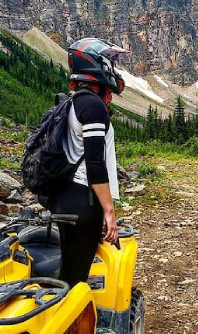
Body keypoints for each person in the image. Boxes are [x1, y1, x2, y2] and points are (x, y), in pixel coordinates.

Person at [48, 37, 127, 288]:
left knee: (69, 272)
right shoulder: (93, 105)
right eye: (109, 62)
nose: (111, 68)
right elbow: (95, 164)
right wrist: (109, 211)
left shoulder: (73, 101)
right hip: (84, 200)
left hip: (65, 196)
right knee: (76, 279)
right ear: (96, 63)